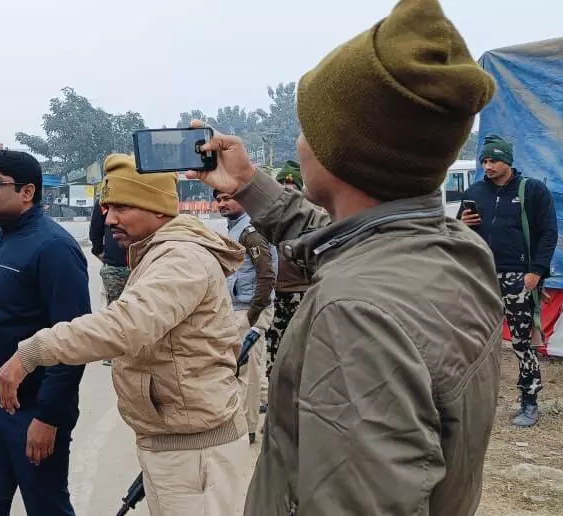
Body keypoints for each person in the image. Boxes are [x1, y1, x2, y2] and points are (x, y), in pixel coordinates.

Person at [187, 0, 503, 513]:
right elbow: (344, 242)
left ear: (343, 153)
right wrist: (248, 184)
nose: (300, 142)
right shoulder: (451, 246)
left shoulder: (355, 314)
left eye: (310, 128)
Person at [0, 154, 249, 515]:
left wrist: (34, 351)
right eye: (107, 207)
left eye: (122, 207)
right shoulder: (156, 252)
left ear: (158, 209)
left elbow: (124, 325)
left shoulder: (180, 259)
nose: (109, 218)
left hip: (195, 451)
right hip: (175, 441)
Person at [0, 149, 89, 515]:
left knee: (46, 506)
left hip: (35, 409)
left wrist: (48, 416)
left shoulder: (54, 248)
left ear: (27, 192)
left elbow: (74, 340)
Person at [461, 134, 558, 427]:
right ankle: (472, 400)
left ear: (508, 162)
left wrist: (536, 272)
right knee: (474, 341)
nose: (487, 166)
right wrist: (460, 224)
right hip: (482, 276)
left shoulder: (533, 190)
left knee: (521, 341)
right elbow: (460, 235)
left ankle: (529, 401)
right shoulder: (476, 191)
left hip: (519, 277)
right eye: (484, 161)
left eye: (494, 161)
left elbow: (548, 233)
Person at [215, 188, 275, 444]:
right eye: (218, 199)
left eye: (227, 198)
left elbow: (267, 276)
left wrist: (252, 316)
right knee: (245, 369)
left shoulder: (251, 233)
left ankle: (248, 428)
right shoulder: (235, 229)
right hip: (239, 308)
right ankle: (279, 410)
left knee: (248, 373)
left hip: (249, 309)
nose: (222, 204)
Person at [263, 161, 313, 382]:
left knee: (302, 347)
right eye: (282, 184)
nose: (287, 189)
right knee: (273, 346)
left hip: (302, 294)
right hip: (275, 295)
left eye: (292, 187)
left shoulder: (310, 220)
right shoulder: (268, 219)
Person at [88, 182, 129, 367]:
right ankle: (116, 352)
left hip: (126, 265)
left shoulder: (104, 202)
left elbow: (94, 233)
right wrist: (101, 253)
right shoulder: (104, 203)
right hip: (118, 266)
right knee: (120, 311)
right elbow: (95, 233)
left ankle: (117, 353)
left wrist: (100, 252)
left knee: (118, 310)